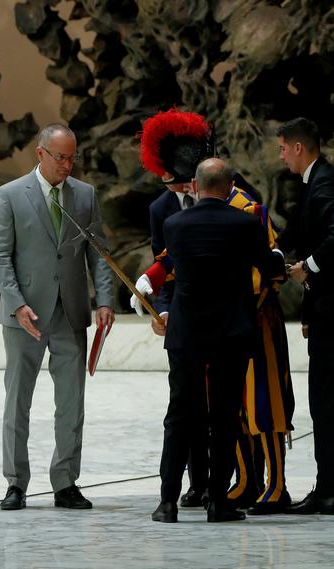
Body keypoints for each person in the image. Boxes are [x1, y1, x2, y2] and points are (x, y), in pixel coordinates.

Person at [133, 111, 295, 515]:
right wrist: (280, 261)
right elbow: (271, 264)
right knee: (226, 417)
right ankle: (218, 499)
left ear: (194, 184)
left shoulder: (176, 223)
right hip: (232, 329)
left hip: (189, 333)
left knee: (185, 416)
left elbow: (166, 264)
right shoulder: (244, 221)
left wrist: (147, 284)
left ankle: (168, 500)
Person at [0, 123, 114, 511]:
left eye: (72, 157)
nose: (67, 164)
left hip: (70, 311)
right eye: (60, 157)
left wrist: (105, 299)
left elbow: (99, 252)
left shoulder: (85, 195)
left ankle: (65, 482)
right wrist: (15, 302)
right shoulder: (9, 195)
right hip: (25, 313)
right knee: (18, 400)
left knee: (72, 401)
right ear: (40, 154)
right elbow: (0, 256)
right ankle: (16, 483)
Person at [132, 109, 213, 509]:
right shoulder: (160, 210)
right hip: (182, 315)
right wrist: (159, 311)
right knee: (187, 404)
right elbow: (160, 267)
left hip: (222, 313)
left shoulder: (228, 191)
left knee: (225, 406)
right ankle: (195, 483)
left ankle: (228, 483)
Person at [276, 117, 334, 515]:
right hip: (324, 309)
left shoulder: (325, 183)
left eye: (282, 148)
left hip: (333, 311)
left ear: (298, 147)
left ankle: (329, 489)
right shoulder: (315, 181)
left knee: (326, 401)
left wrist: (306, 267)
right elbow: (296, 231)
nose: (280, 156)